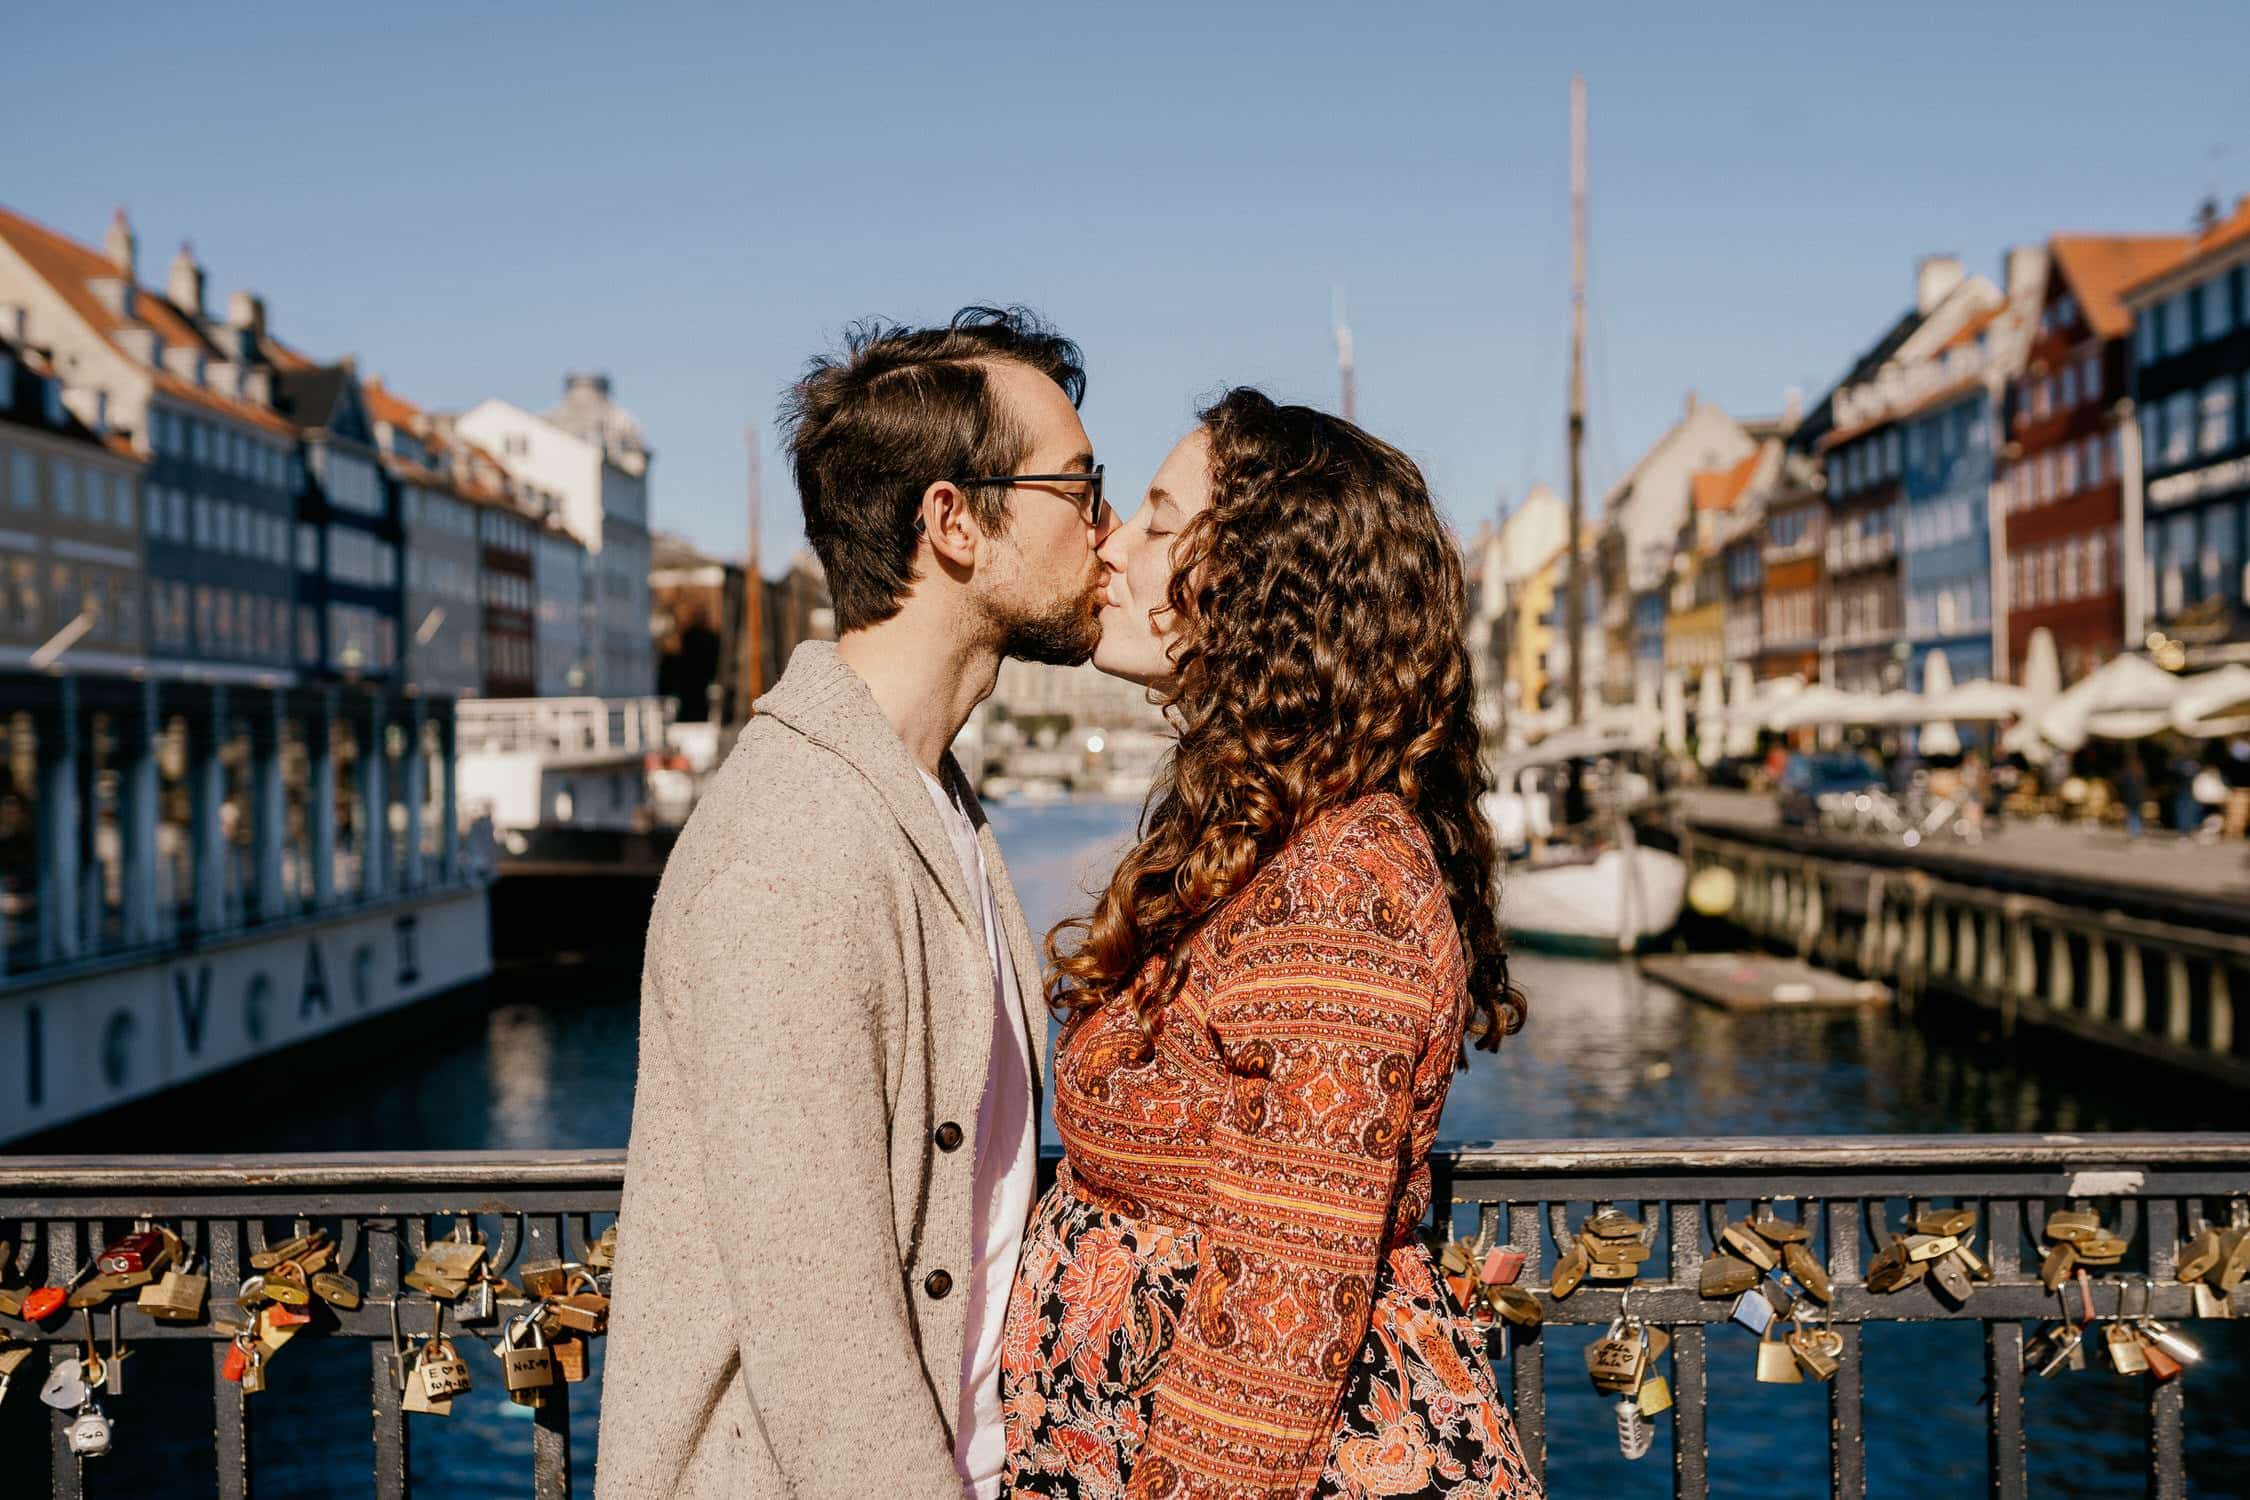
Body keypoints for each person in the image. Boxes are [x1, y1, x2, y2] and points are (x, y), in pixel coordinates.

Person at [596, 307, 1108, 1500]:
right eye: (1078, 486)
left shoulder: (928, 802)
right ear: (953, 522)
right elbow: (824, 1343)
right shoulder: (790, 848)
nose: (1109, 528)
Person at [1002, 390, 1542, 1498]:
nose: (1113, 542)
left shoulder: (1340, 886)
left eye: (1159, 522)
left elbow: (1278, 1331)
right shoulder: (1266, 839)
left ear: (1263, 589)